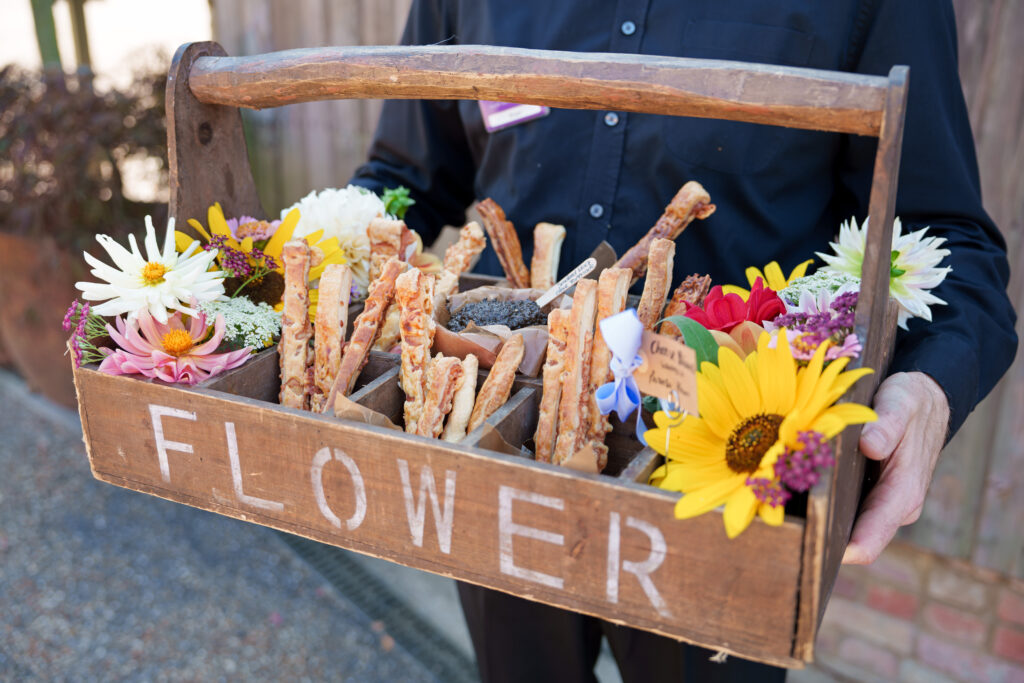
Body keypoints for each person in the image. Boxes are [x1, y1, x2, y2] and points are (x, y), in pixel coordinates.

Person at [350, 1, 1018, 680]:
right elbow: (404, 180)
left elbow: (949, 238)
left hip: (728, 468)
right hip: (499, 451)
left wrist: (932, 383)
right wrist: (335, 234)